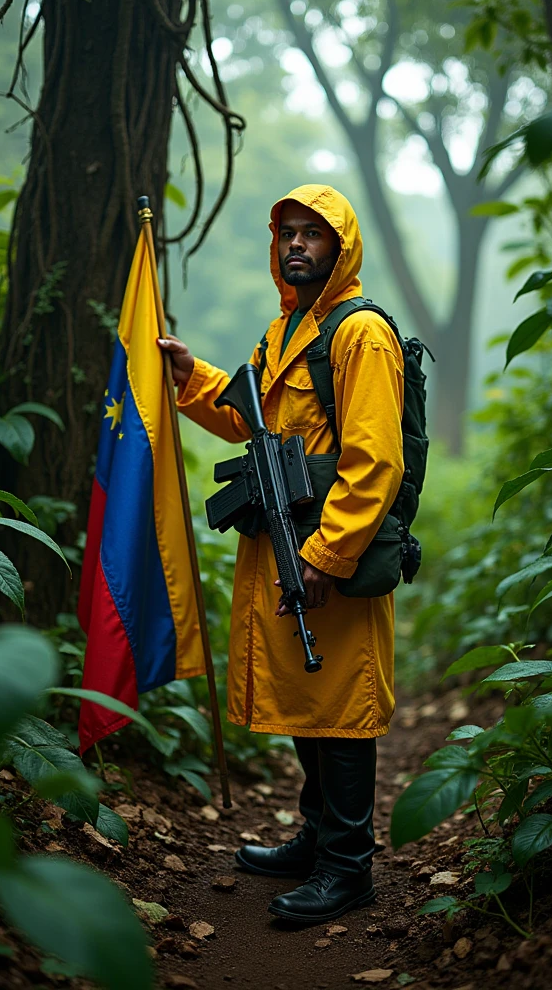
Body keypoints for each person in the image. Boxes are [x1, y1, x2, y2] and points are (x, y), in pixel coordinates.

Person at [158, 184, 404, 924]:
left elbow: (375, 462)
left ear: (341, 248)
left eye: (313, 234)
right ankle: (316, 835)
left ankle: (348, 865)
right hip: (281, 541)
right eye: (287, 233)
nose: (297, 244)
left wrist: (327, 557)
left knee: (341, 704)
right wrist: (191, 377)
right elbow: (250, 422)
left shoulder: (360, 335)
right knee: (306, 694)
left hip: (335, 549)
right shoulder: (285, 331)